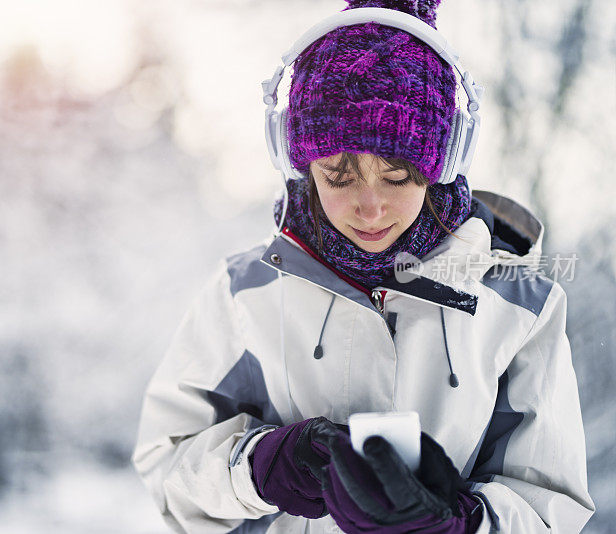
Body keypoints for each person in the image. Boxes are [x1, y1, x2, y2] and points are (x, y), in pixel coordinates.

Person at [131, 1, 595, 532]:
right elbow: (167, 465)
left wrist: (456, 526)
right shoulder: (245, 293)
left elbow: (550, 504)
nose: (369, 207)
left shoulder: (522, 307)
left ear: (442, 165)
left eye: (397, 177)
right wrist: (259, 469)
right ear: (301, 166)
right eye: (338, 175)